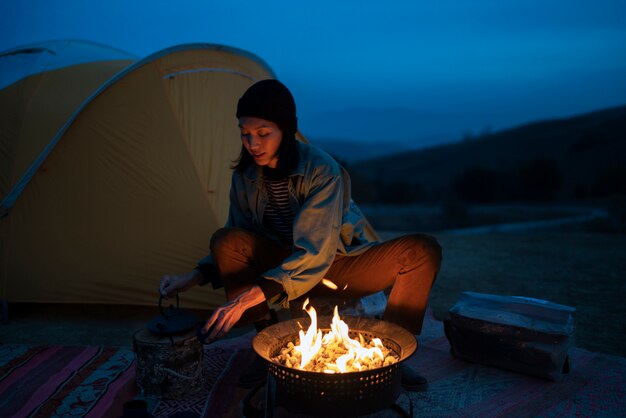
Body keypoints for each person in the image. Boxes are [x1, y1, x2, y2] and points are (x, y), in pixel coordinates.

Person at [159, 79, 442, 391]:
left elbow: (315, 253)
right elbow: (238, 238)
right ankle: (265, 345)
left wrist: (254, 294)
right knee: (226, 238)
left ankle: (393, 355)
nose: (253, 143)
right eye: (246, 134)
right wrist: (195, 275)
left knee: (422, 250)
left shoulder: (322, 170)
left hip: (337, 264)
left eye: (263, 133)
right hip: (282, 264)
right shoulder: (244, 177)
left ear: (286, 130)